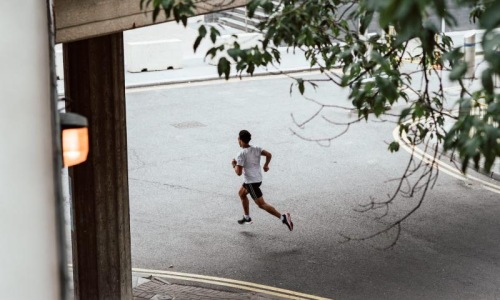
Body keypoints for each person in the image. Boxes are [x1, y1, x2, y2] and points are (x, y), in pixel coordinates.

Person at [231, 130, 293, 231]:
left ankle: (283, 217)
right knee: (241, 194)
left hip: (251, 182)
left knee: (261, 204)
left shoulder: (241, 154)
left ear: (240, 140)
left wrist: (234, 164)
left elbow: (238, 173)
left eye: (238, 139)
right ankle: (247, 217)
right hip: (258, 179)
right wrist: (266, 165)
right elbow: (269, 154)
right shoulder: (256, 148)